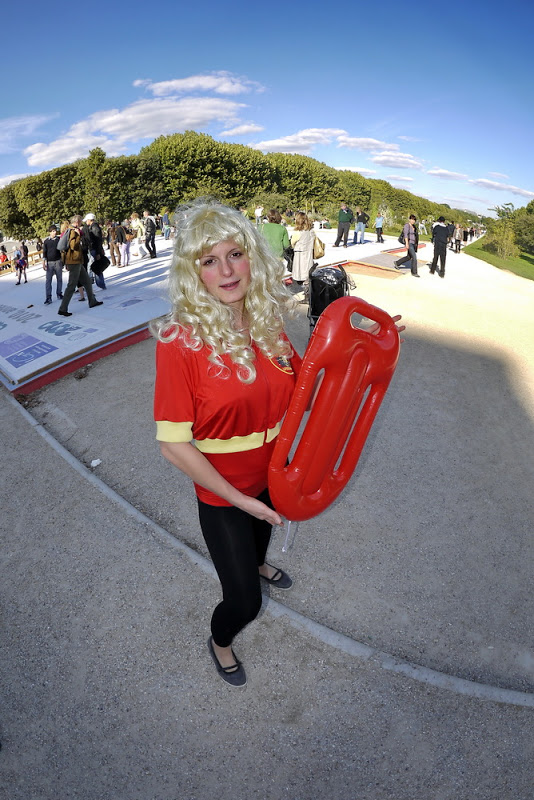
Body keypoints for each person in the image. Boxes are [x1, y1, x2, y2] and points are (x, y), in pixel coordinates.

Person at [153, 199, 302, 687]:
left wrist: (358, 351)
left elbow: (304, 388)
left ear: (253, 257)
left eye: (234, 254)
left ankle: (259, 560)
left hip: (273, 477)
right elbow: (173, 445)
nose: (226, 270)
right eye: (209, 260)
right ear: (192, 272)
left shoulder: (265, 320)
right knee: (244, 601)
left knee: (259, 537)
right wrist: (238, 499)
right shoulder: (180, 340)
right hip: (223, 492)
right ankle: (220, 642)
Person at [57, 215, 103, 316]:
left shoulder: (69, 230)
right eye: (81, 221)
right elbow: (73, 246)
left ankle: (92, 301)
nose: (82, 222)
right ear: (77, 222)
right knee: (71, 285)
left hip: (75, 261)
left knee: (86, 281)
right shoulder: (73, 231)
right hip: (74, 261)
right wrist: (78, 237)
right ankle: (63, 308)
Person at [82, 213, 107, 290]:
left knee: (95, 266)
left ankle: (99, 283)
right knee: (95, 266)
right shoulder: (93, 227)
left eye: (87, 220)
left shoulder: (95, 228)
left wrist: (98, 252)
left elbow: (98, 241)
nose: (86, 222)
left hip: (95, 250)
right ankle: (99, 283)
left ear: (90, 220)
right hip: (95, 249)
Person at [291, 212, 315, 286]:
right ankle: (307, 279)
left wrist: (293, 246)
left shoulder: (297, 231)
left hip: (299, 251)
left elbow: (293, 241)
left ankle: (299, 280)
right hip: (308, 250)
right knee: (307, 265)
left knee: (299, 267)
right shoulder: (310, 230)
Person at [42, 224, 64, 304]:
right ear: (50, 232)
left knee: (59, 279)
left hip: (58, 261)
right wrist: (44, 262)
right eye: (53, 231)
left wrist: (63, 261)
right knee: (48, 280)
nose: (55, 232)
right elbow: (44, 252)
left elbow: (62, 250)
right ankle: (48, 297)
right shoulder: (46, 241)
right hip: (50, 263)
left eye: (55, 231)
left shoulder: (58, 239)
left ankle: (59, 293)